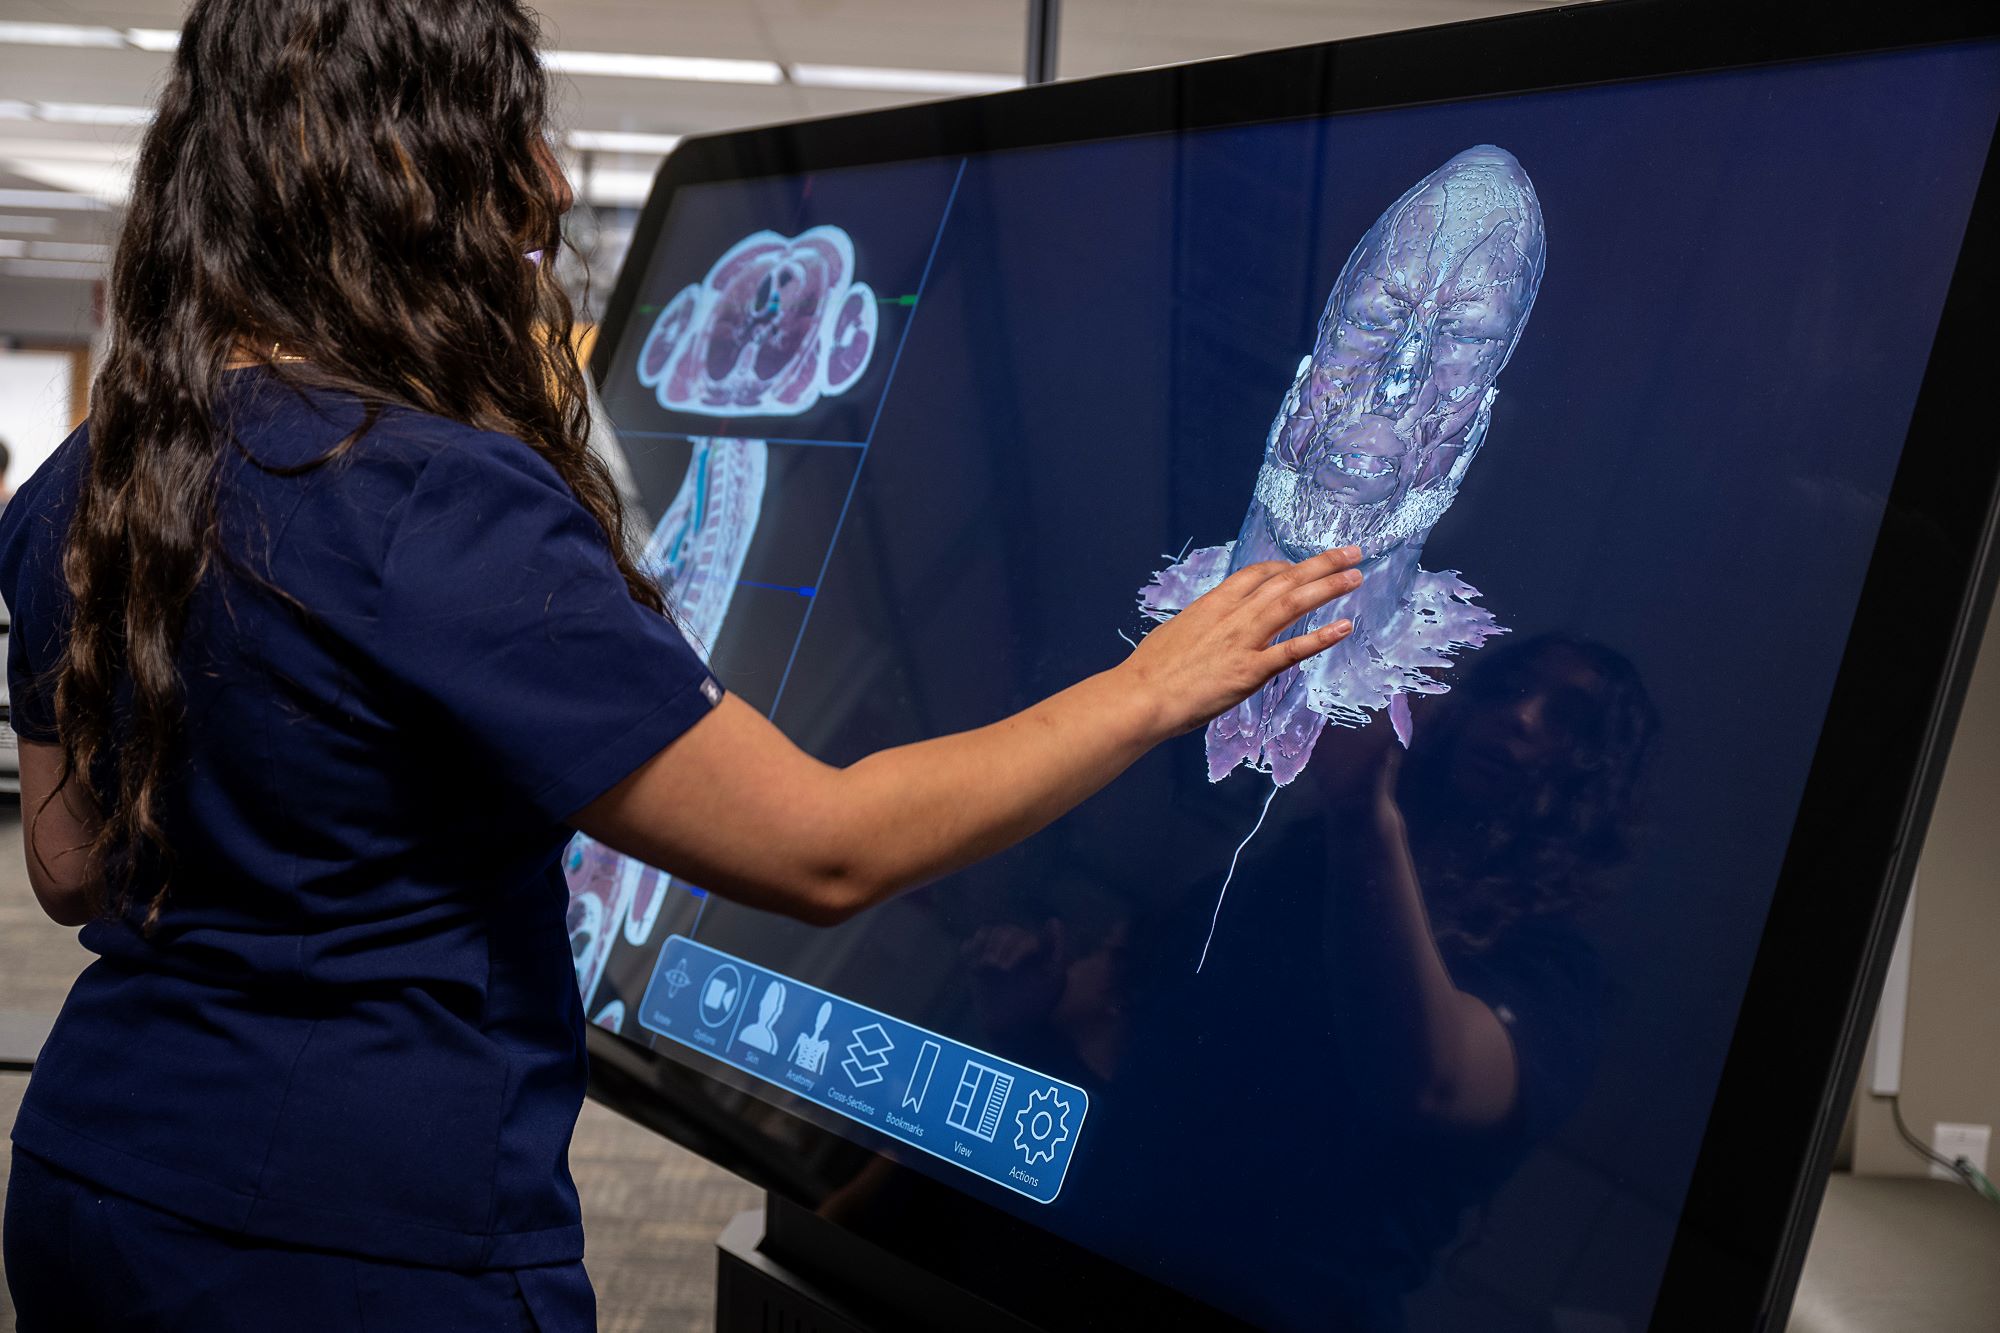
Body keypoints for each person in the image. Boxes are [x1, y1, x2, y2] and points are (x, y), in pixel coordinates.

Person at [0, 3, 1364, 1329]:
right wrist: (1149, 686)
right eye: (510, 136)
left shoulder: (86, 478)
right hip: (350, 1240)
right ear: (421, 177)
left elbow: (66, 865)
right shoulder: (433, 497)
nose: (535, 186)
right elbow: (820, 851)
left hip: (92, 1172)